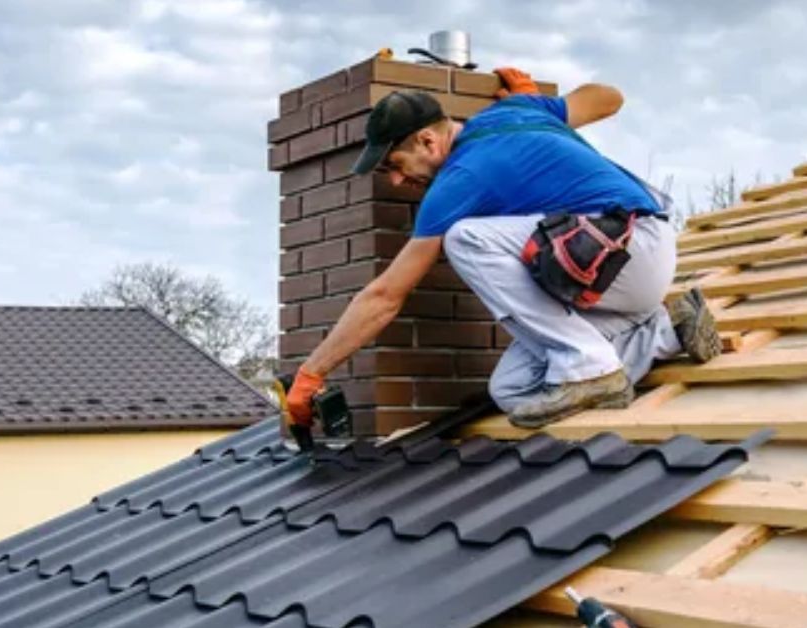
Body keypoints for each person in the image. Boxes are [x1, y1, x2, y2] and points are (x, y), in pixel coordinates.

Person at [286, 67, 719, 431]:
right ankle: (667, 330)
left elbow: (385, 296)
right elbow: (610, 97)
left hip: (629, 247)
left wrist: (312, 373)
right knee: (512, 389)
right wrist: (543, 114)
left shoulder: (460, 179)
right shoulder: (518, 110)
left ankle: (591, 367)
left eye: (395, 166)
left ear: (427, 142)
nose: (397, 182)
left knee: (465, 238)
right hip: (618, 273)